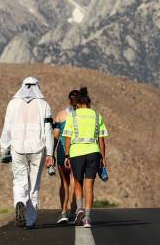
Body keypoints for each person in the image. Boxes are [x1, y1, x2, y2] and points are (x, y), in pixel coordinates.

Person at [0, 77, 54, 229]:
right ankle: (30, 220)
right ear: (38, 86)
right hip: (37, 149)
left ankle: (20, 201)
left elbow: (7, 128)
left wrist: (4, 149)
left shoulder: (12, 104)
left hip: (17, 149)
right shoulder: (44, 105)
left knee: (19, 180)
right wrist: (50, 153)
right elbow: (48, 130)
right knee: (34, 185)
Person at [63, 87, 108, 228]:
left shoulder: (73, 116)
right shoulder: (97, 116)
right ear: (88, 103)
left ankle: (79, 208)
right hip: (93, 152)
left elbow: (68, 138)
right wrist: (103, 157)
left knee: (77, 182)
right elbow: (101, 139)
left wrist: (66, 155)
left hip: (76, 153)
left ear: (77, 104)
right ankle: (87, 218)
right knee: (90, 185)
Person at [52, 90, 79, 224]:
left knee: (64, 182)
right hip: (78, 152)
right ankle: (74, 213)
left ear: (69, 100)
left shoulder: (61, 115)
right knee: (75, 181)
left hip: (62, 152)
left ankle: (63, 212)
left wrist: (51, 154)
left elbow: (56, 135)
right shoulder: (85, 115)